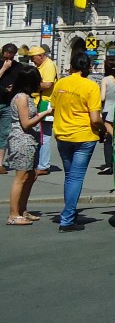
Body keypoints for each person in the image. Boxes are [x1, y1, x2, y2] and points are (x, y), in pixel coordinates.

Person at [52, 50, 103, 232]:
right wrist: (104, 129)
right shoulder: (90, 86)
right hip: (84, 136)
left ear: (71, 65)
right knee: (76, 176)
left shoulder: (60, 84)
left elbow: (53, 107)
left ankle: (69, 214)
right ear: (88, 67)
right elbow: (95, 118)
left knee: (69, 176)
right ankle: (67, 219)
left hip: (62, 134)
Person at [5, 64, 52, 225]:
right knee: (21, 177)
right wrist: (45, 113)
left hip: (29, 140)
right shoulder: (22, 98)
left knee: (31, 175)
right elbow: (26, 123)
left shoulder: (25, 96)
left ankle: (22, 210)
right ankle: (13, 214)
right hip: (22, 140)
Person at [28, 45, 57, 174]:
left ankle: (43, 165)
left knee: (44, 135)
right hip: (40, 102)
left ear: (41, 55)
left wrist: (30, 85)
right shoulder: (41, 66)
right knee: (40, 135)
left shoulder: (49, 65)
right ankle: (40, 163)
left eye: (33, 58)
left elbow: (48, 84)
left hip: (46, 102)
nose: (32, 60)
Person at [96, 56, 115, 174]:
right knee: (112, 136)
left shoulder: (106, 79)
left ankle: (109, 165)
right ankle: (114, 163)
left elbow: (102, 97)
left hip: (108, 110)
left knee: (110, 138)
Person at [0, 42, 18, 172]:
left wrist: (14, 88)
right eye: (6, 57)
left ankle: (0, 163)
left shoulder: (18, 67)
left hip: (7, 103)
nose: (9, 60)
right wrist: (4, 69)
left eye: (11, 57)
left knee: (4, 133)